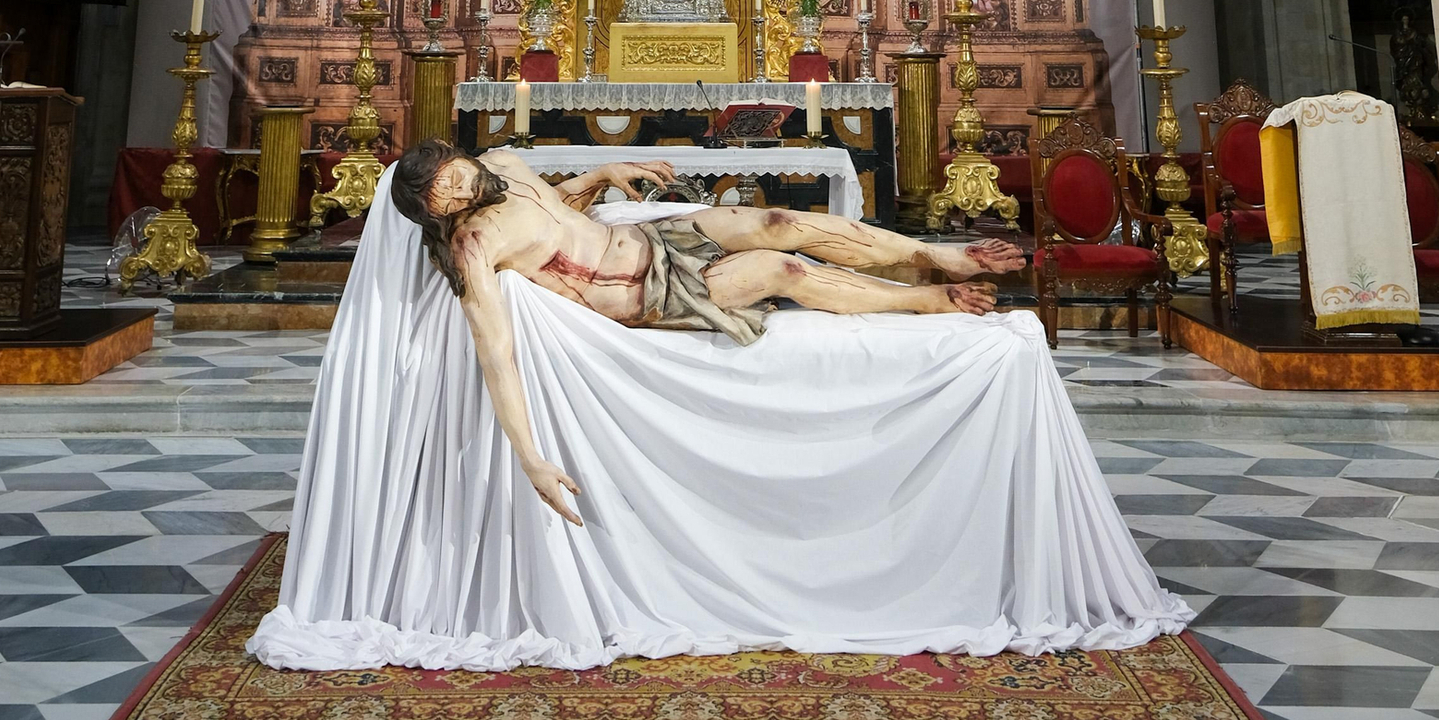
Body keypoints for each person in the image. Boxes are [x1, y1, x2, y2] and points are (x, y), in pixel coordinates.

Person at [391, 141, 1025, 524]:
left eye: (448, 173)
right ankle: (924, 297)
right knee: (782, 269)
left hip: (652, 238)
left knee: (779, 220)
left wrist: (600, 175)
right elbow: (495, 351)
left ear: (453, 155)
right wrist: (530, 458)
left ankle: (938, 254)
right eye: (441, 198)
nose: (455, 188)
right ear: (438, 216)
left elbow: (552, 213)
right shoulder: (476, 243)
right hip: (647, 291)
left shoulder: (501, 161)